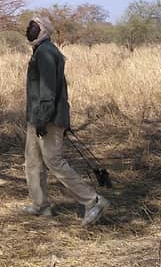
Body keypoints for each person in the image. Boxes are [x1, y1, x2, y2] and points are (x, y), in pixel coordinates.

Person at [22, 16, 109, 226]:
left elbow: (48, 91)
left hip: (47, 118)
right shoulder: (42, 50)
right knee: (33, 162)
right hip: (38, 117)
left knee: (54, 161)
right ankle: (40, 206)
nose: (29, 30)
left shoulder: (45, 53)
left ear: (44, 30)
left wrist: (42, 119)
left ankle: (93, 200)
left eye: (34, 27)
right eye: (29, 26)